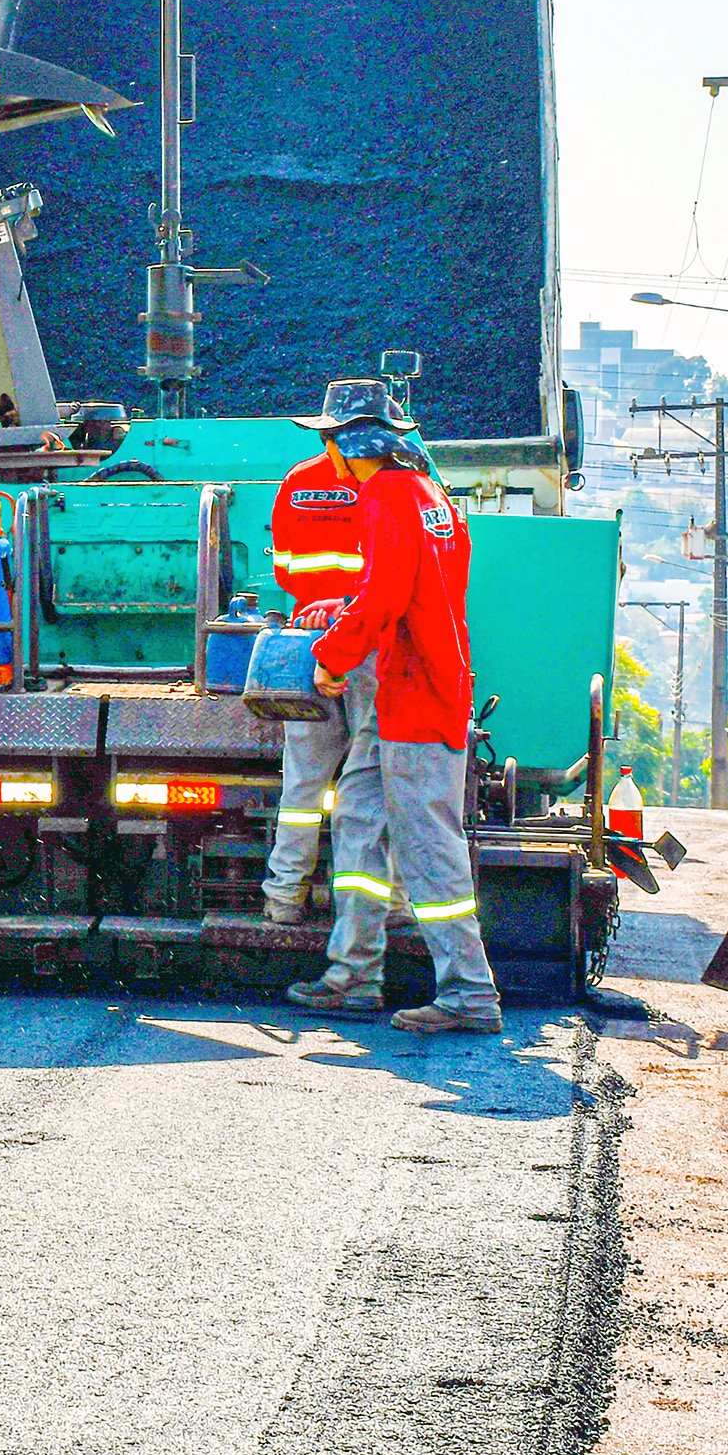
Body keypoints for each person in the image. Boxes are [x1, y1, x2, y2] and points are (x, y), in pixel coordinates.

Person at [287, 399, 503, 1035]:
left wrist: (330, 654)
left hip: (414, 693)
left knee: (428, 845)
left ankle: (468, 994)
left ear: (347, 448)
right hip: (407, 690)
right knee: (358, 815)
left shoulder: (384, 497)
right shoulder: (431, 494)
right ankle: (352, 974)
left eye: (330, 444)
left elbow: (383, 594)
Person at [262, 418, 371, 925]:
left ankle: (284, 897)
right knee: (366, 779)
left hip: (310, 639)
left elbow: (284, 566)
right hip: (371, 639)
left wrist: (315, 602)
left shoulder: (296, 481)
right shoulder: (384, 483)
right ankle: (362, 904)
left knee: (304, 782)